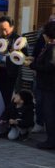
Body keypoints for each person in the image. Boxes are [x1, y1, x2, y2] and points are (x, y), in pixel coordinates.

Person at [31, 21, 55, 150]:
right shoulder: (50, 46)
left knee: (49, 113)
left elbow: (50, 66)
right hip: (49, 85)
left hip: (49, 86)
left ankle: (51, 141)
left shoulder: (52, 47)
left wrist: (33, 65)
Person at [0, 16, 25, 112]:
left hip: (11, 73)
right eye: (1, 29)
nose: (3, 32)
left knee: (9, 97)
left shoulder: (19, 39)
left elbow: (25, 56)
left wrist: (11, 55)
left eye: (5, 29)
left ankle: (8, 117)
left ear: (12, 27)